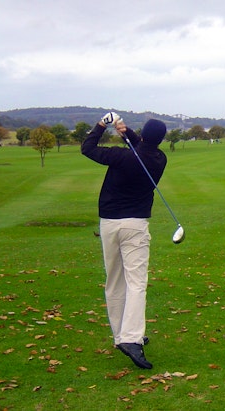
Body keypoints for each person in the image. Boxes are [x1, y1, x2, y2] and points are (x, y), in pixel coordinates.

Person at [81, 112, 167, 369]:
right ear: (160, 140)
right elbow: (142, 146)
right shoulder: (159, 159)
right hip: (135, 226)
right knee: (136, 283)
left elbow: (87, 148)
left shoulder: (121, 157)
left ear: (143, 134)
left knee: (115, 281)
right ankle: (129, 338)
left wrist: (102, 125)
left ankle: (124, 336)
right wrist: (124, 131)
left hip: (109, 224)